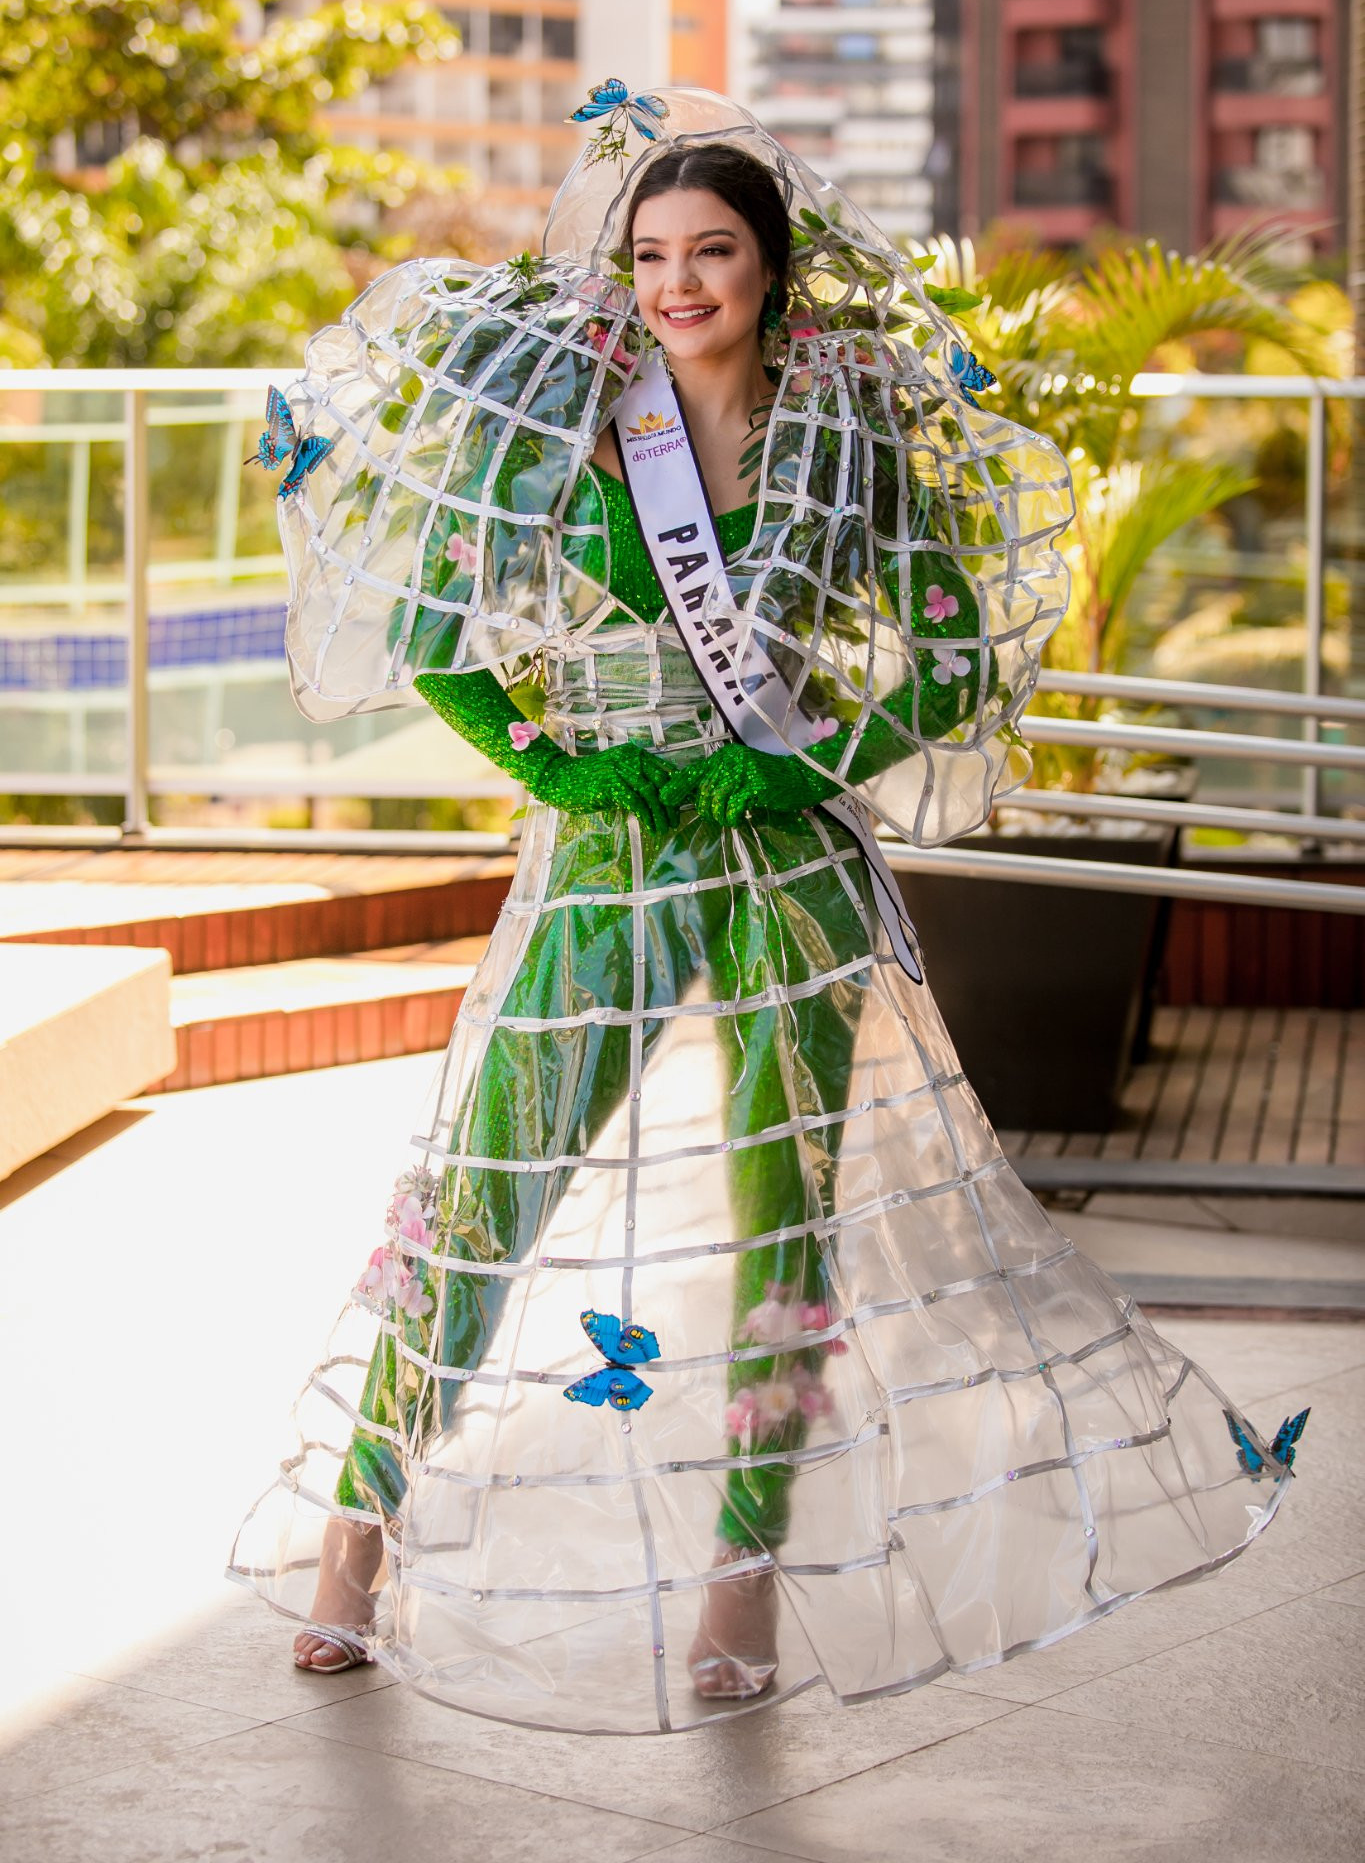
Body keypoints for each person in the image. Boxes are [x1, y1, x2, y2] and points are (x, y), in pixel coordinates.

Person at [229, 85, 1304, 1733]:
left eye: (711, 252)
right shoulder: (569, 412)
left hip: (787, 857)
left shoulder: (848, 430)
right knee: (491, 1188)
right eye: (650, 253)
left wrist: (822, 764)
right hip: (607, 854)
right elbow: (430, 600)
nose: (675, 283)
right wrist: (546, 761)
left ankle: (739, 1575)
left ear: (769, 266)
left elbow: (951, 654)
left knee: (778, 1217)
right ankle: (353, 1546)